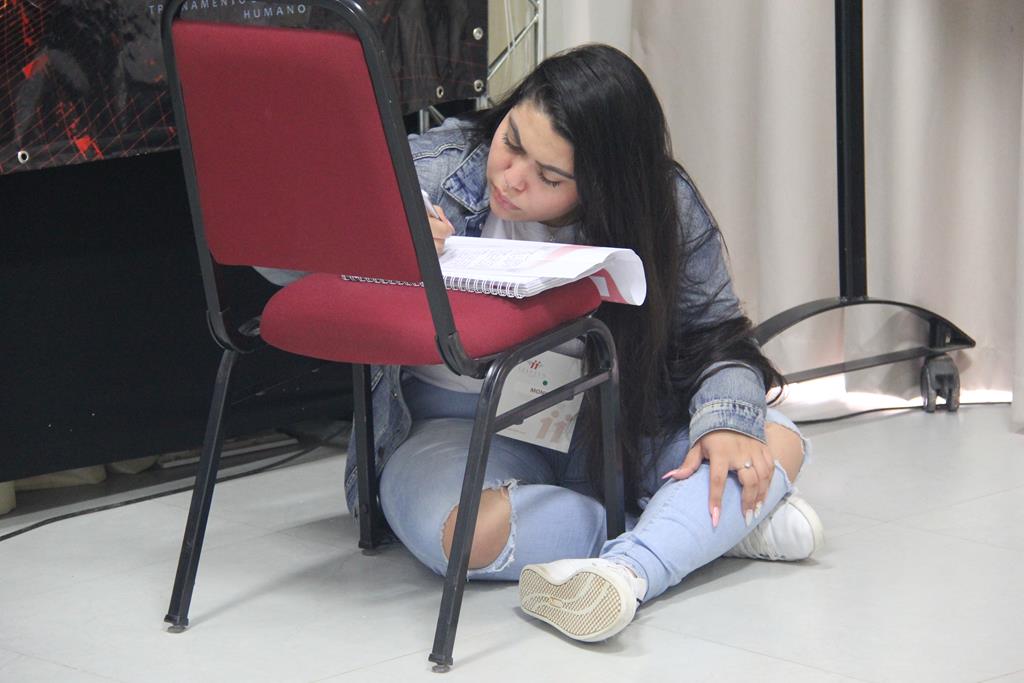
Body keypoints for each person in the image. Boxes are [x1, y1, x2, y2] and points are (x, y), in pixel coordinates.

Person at [267, 43, 824, 644]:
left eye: (550, 177)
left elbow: (718, 336)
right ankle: (694, 529)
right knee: (463, 535)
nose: (511, 178)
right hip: (459, 431)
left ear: (604, 187)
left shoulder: (661, 202)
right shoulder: (435, 168)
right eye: (511, 142)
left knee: (771, 439)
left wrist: (728, 422)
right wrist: (367, 236)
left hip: (610, 425)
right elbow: (271, 259)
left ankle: (628, 574)